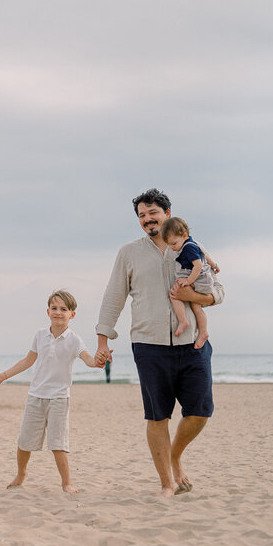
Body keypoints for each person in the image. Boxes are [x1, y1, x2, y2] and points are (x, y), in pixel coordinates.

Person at [95, 189, 224, 497]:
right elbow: (114, 296)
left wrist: (192, 296)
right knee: (157, 417)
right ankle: (167, 482)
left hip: (192, 344)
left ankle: (175, 456)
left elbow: (218, 291)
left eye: (153, 213)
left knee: (201, 410)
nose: (147, 219)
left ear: (167, 213)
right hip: (149, 345)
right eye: (141, 215)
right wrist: (103, 339)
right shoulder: (129, 252)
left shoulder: (192, 246)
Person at [0, 290, 102, 493]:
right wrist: (3, 376)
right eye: (54, 308)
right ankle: (21, 473)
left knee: (58, 444)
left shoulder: (74, 339)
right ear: (48, 311)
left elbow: (88, 359)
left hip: (59, 398)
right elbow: (28, 361)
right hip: (36, 395)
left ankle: (66, 483)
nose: (58, 312)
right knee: (24, 441)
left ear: (72, 314)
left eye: (63, 309)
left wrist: (99, 362)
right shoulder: (40, 335)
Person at [161, 217, 214, 350]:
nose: (172, 248)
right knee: (196, 307)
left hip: (200, 280)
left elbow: (198, 265)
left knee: (175, 294)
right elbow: (204, 255)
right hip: (202, 280)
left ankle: (183, 320)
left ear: (184, 235)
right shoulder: (192, 243)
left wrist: (188, 281)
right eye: (169, 245)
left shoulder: (188, 248)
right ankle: (203, 332)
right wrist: (215, 265)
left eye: (173, 244)